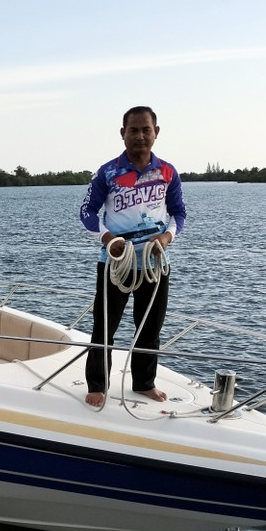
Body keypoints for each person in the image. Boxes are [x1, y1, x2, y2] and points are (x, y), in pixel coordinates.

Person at [79, 106, 187, 410]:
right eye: (133, 130)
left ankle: (144, 383)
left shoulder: (167, 172)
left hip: (153, 264)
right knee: (104, 327)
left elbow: (179, 212)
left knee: (150, 327)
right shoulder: (108, 172)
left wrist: (166, 237)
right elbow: (86, 212)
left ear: (156, 132)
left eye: (146, 130)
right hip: (116, 263)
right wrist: (107, 238)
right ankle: (98, 384)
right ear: (123, 133)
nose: (140, 136)